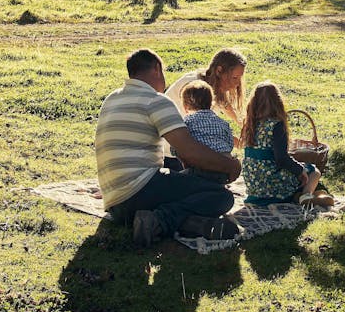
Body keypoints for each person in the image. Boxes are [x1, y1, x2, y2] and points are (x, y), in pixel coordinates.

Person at [95, 48, 242, 247]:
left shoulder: (112, 98)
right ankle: (160, 221)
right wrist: (229, 165)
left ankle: (186, 224)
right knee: (221, 196)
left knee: (186, 186)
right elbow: (188, 150)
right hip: (140, 189)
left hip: (115, 204)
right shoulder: (155, 100)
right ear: (157, 69)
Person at [239, 81, 332, 207]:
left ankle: (297, 195)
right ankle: (306, 195)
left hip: (254, 185)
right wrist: (300, 170)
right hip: (271, 183)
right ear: (278, 102)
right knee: (314, 171)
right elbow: (282, 158)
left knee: (293, 171)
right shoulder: (276, 125)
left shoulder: (249, 125)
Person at [164, 47, 247, 129]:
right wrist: (238, 141)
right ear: (219, 71)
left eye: (240, 78)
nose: (237, 83)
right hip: (169, 135)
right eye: (235, 77)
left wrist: (242, 124)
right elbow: (203, 129)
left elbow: (224, 103)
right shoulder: (195, 87)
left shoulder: (215, 82)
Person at [179, 82, 234, 184]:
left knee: (179, 177)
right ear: (211, 103)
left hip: (200, 169)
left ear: (185, 105)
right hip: (224, 168)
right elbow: (230, 144)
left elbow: (178, 146)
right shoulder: (222, 122)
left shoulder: (187, 122)